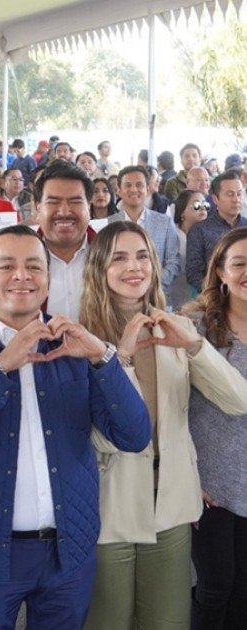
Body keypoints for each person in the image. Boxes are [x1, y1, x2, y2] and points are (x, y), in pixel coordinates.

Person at [0, 223, 151, 628]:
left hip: (69, 549)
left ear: (48, 281)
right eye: (6, 266)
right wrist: (0, 368)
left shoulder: (75, 347)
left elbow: (134, 436)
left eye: (34, 266)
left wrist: (103, 359)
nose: (22, 276)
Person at [79, 221, 247, 629]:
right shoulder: (81, 336)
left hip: (171, 507)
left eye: (142, 256)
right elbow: (102, 436)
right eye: (119, 257)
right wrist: (116, 359)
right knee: (109, 622)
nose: (133, 267)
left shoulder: (175, 328)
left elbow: (238, 400)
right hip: (110, 508)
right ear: (100, 267)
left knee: (168, 623)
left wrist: (194, 346)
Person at [183, 228, 247, 628]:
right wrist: (187, 473)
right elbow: (171, 404)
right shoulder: (194, 326)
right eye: (239, 263)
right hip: (210, 484)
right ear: (220, 271)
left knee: (244, 591)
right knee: (215, 586)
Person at [35, 161, 97, 320]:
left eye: (75, 202)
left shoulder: (111, 254)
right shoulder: (17, 260)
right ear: (38, 207)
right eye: (53, 202)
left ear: (89, 206)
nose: (64, 211)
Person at [107, 166, 180, 299]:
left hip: (157, 296)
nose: (134, 189)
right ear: (118, 190)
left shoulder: (165, 222)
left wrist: (151, 284)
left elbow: (173, 261)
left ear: (147, 189)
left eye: (139, 185)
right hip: (117, 299)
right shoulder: (108, 225)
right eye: (128, 185)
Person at [186, 170, 247, 292]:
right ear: (215, 199)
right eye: (230, 194)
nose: (236, 199)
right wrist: (217, 294)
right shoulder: (200, 230)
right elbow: (193, 273)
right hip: (215, 299)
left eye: (239, 194)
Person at [169, 190, 209, 310]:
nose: (202, 209)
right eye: (197, 205)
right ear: (182, 212)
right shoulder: (172, 235)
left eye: (205, 205)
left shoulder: (211, 232)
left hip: (204, 296)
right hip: (176, 296)